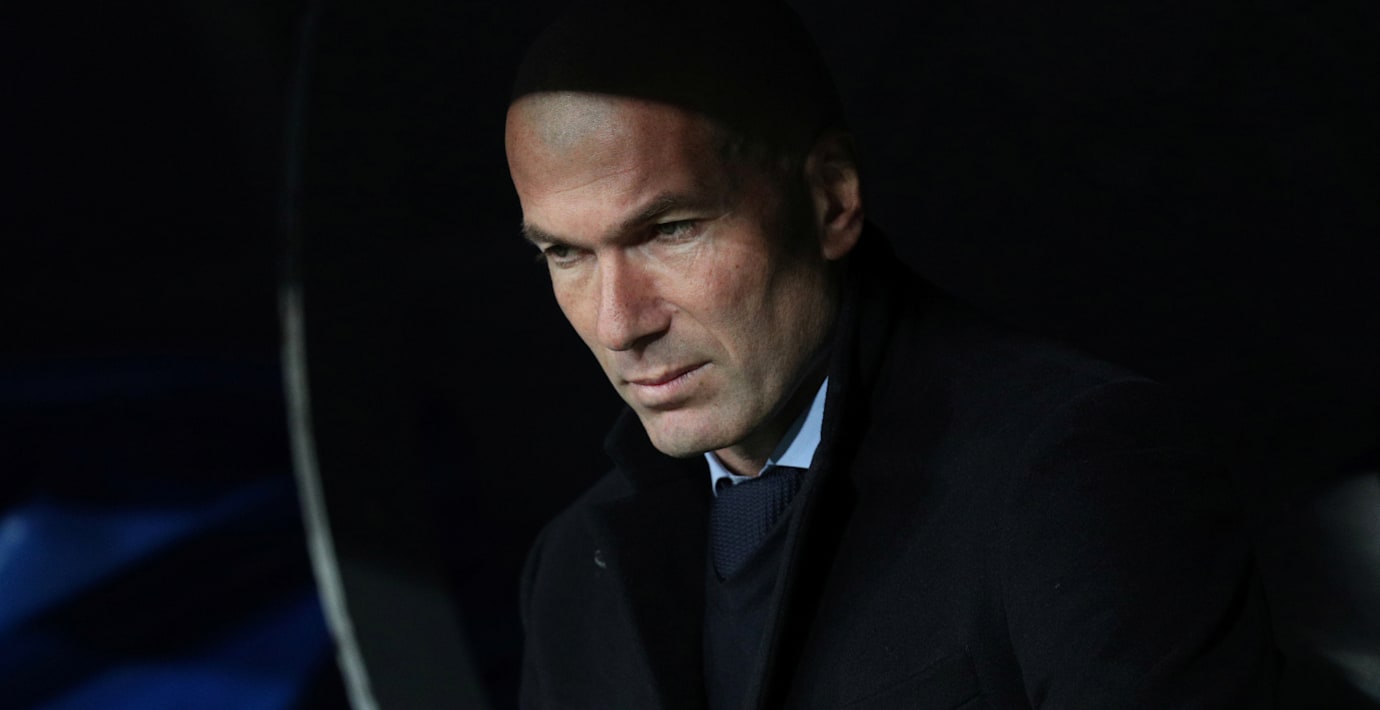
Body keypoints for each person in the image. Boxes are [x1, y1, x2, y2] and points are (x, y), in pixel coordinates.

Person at [503, 1, 1276, 707]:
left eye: (670, 231)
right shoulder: (571, 571)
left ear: (832, 198)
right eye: (565, 254)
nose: (619, 324)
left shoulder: (1072, 473)